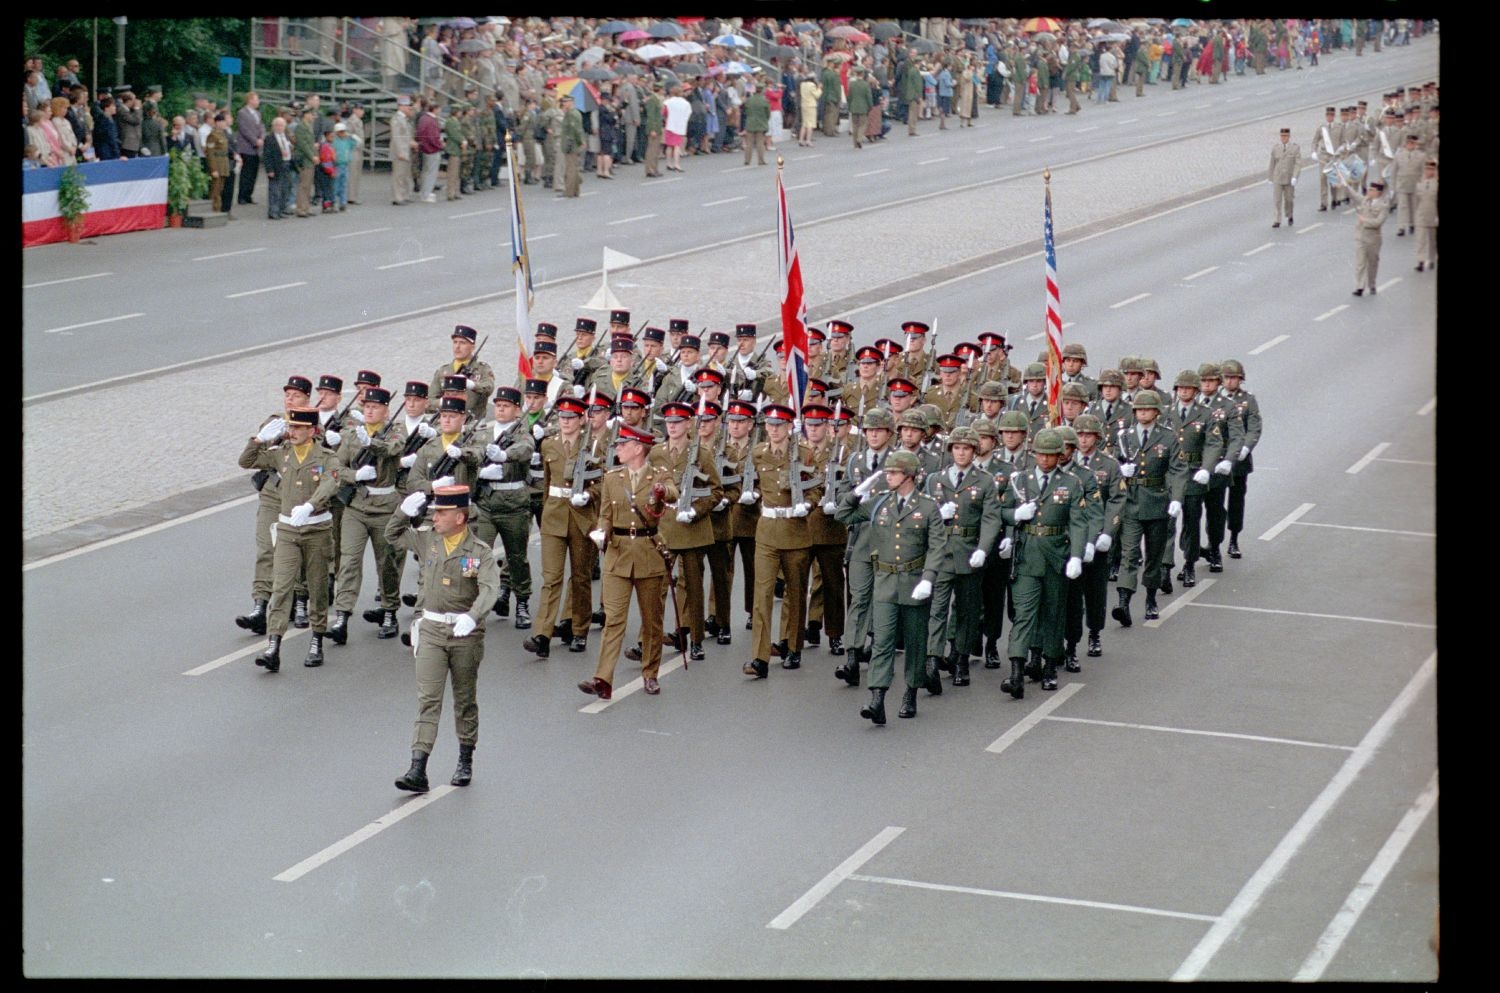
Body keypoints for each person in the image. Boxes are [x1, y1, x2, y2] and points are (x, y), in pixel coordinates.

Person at [388, 484, 501, 793]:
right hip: (432, 631)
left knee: (464, 699)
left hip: (465, 634)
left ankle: (465, 758)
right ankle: (417, 768)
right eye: (434, 511)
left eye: (442, 512)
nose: (435, 517)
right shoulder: (428, 541)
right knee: (428, 701)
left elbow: (491, 588)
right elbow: (392, 536)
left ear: (460, 517)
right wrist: (402, 512)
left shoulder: (480, 553)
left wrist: (473, 615)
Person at [835, 449, 946, 723]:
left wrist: (928, 579)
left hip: (913, 581)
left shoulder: (928, 507)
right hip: (885, 583)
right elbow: (842, 514)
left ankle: (910, 693)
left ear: (909, 476)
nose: (888, 476)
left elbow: (937, 547)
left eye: (893, 472)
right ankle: (877, 698)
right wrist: (857, 492)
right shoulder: (880, 503)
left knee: (915, 642)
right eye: (888, 472)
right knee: (882, 642)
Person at [580, 423, 679, 701]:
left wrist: (661, 491)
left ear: (638, 448)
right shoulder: (612, 478)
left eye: (623, 445)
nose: (618, 449)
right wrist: (602, 532)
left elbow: (673, 492)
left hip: (648, 552)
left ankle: (650, 673)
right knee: (614, 620)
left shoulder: (658, 475)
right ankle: (603, 679)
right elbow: (605, 514)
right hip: (618, 554)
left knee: (651, 621)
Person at [241, 406, 341, 672]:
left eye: (298, 427)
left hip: (317, 530)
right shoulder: (281, 454)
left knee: (318, 587)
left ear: (312, 430)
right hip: (287, 531)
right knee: (281, 586)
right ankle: (273, 645)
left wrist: (311, 505)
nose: (292, 432)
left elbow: (331, 483)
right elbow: (246, 462)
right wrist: (258, 440)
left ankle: (317, 638)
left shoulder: (326, 456)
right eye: (290, 427)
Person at [524, 395, 601, 658]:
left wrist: (590, 496)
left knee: (581, 577)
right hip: (555, 516)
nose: (566, 421)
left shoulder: (593, 446)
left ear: (582, 420)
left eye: (571, 417)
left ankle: (578, 629)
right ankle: (542, 633)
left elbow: (603, 483)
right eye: (562, 417)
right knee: (551, 578)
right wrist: (546, 511)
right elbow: (546, 483)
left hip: (582, 518)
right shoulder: (549, 445)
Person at [1112, 390, 1186, 626]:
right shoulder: (1125, 437)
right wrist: (1120, 471)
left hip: (1157, 501)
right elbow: (1112, 461)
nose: (1143, 413)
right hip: (1132, 502)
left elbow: (1177, 469)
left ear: (1156, 412)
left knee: (1154, 556)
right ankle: (1123, 602)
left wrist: (1176, 498)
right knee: (1129, 554)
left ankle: (1151, 598)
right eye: (1139, 409)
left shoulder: (1168, 438)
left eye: (1147, 409)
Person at [1218, 360, 1262, 559]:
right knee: (1215, 503)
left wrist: (1246, 447)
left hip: (1239, 461)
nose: (1229, 381)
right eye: (1226, 377)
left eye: (1233, 378)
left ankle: (1234, 538)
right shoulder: (1214, 399)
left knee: (1236, 501)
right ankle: (1214, 541)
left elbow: (1254, 426)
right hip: (1217, 458)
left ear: (1240, 379)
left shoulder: (1248, 400)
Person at [1353, 180, 1389, 296]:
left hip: (1373, 239)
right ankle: (1359, 287)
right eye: (1369, 189)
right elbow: (1354, 195)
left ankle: (1372, 284)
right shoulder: (1365, 200)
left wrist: (1365, 221)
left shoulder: (1383, 206)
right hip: (1361, 237)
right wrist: (1344, 185)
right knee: (1360, 263)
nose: (1369, 191)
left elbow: (1378, 222)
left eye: (1372, 190)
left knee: (1372, 263)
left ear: (1378, 192)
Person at [234, 92, 265, 205]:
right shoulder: (242, 113)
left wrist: (261, 138)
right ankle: (242, 196)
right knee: (246, 172)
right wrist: (254, 140)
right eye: (256, 99)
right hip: (246, 147)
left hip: (257, 148)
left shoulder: (258, 113)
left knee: (254, 172)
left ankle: (249, 195)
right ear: (250, 100)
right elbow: (244, 129)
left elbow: (261, 126)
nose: (258, 102)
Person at [1269, 126, 1299, 228]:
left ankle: (1290, 214)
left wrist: (1295, 176)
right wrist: (1270, 177)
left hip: (1289, 178)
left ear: (1289, 136)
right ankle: (1277, 220)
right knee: (1277, 200)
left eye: (1285, 136)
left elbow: (1298, 164)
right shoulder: (1276, 148)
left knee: (1289, 199)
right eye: (1282, 136)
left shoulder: (1294, 148)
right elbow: (1272, 163)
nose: (1284, 138)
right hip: (1278, 177)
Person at [388, 96, 415, 205]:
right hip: (400, 151)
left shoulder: (404, 119)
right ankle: (397, 197)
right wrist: (400, 152)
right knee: (398, 175)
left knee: (405, 174)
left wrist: (411, 143)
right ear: (401, 106)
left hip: (406, 150)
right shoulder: (396, 119)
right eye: (407, 106)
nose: (409, 108)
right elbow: (397, 136)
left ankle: (404, 195)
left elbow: (405, 135)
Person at [293, 105, 318, 217]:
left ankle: (306, 207)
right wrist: (312, 156)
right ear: (306, 115)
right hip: (304, 159)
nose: (313, 117)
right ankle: (301, 208)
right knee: (303, 184)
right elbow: (303, 144)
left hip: (309, 159)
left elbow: (310, 144)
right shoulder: (301, 127)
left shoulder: (308, 126)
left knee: (308, 184)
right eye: (311, 114)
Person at [1413, 158, 1437, 272]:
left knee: (1432, 240)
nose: (1429, 172)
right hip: (1421, 214)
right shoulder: (1420, 184)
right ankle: (1420, 261)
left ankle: (1431, 259)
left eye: (1431, 169)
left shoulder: (1436, 184)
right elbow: (1416, 200)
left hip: (1433, 215)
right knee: (1420, 239)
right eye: (1427, 169)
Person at [559, 93, 583, 197]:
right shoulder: (572, 112)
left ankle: (569, 191)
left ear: (571, 102)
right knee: (574, 168)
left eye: (565, 102)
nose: (564, 104)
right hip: (573, 143)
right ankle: (575, 190)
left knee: (570, 169)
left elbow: (575, 130)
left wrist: (580, 141)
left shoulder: (571, 114)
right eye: (563, 102)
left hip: (571, 144)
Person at [740, 81, 769, 166]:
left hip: (750, 123)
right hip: (761, 123)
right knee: (760, 142)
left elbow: (745, 111)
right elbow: (768, 113)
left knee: (749, 143)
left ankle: (747, 160)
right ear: (762, 90)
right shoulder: (764, 100)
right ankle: (761, 160)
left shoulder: (749, 100)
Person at [663, 84, 690, 172]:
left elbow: (664, 113)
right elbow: (688, 113)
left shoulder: (668, 102)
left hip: (670, 125)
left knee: (669, 145)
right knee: (677, 145)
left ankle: (668, 163)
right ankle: (676, 164)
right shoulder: (685, 103)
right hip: (680, 126)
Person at [797, 72, 821, 147]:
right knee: (810, 123)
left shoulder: (802, 84)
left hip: (804, 104)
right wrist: (819, 88)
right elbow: (817, 95)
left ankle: (801, 139)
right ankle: (808, 140)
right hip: (811, 105)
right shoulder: (812, 85)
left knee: (804, 123)